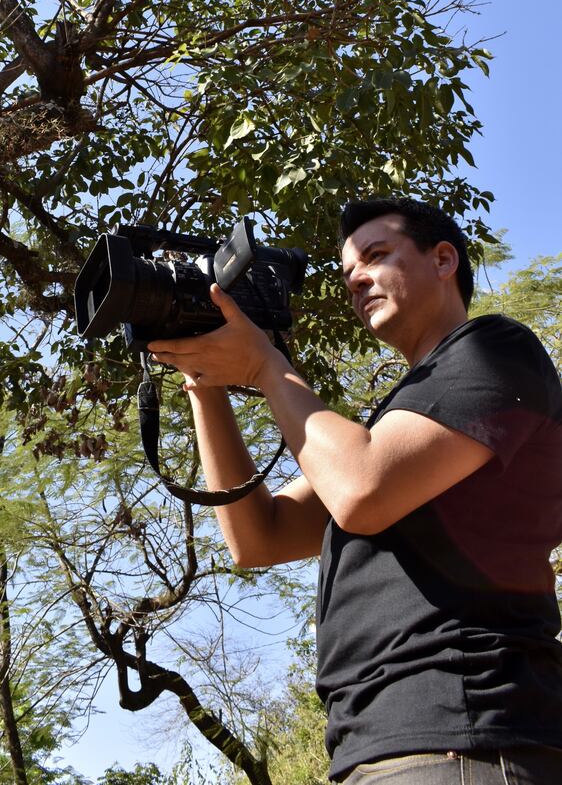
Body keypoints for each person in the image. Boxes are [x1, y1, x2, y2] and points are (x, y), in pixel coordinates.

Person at [148, 198, 562, 784]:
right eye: (347, 274)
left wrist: (267, 366)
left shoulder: (497, 349)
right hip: (372, 746)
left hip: (463, 733)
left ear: (444, 260)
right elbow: (257, 537)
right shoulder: (389, 430)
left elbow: (360, 490)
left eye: (376, 255)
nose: (357, 279)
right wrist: (204, 381)